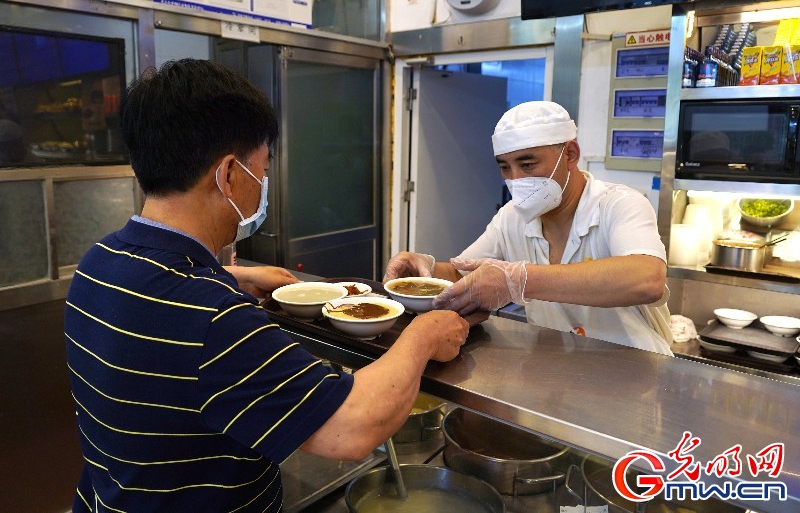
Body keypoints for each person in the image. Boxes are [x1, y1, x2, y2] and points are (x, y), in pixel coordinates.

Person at [64, 59, 468, 512]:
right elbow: (354, 428)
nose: (263, 183)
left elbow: (165, 307)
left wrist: (238, 275)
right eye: (263, 168)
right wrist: (424, 333)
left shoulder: (99, 262)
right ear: (229, 175)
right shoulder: (213, 317)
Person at [384, 101, 672, 355]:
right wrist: (425, 271)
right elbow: (464, 274)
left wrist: (520, 281)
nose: (516, 179)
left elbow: (647, 279)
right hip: (560, 372)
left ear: (570, 154)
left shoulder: (618, 204)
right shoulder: (511, 217)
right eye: (505, 168)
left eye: (528, 165)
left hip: (637, 371)